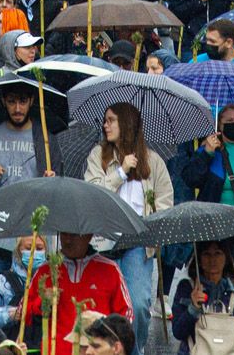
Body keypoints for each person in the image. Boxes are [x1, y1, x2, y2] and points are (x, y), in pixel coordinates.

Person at [84, 103, 173, 354]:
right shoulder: (97, 155)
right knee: (106, 306)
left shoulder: (152, 161)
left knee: (139, 305)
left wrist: (154, 221)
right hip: (105, 240)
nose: (106, 125)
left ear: (127, 124)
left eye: (111, 120)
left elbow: (166, 199)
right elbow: (92, 194)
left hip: (138, 240)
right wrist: (121, 172)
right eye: (105, 120)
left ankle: (135, 350)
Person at [24, 232, 133, 346]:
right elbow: (23, 315)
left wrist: (109, 343)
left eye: (74, 235)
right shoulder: (45, 271)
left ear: (89, 236)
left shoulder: (110, 269)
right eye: (64, 234)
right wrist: (42, 303)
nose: (67, 241)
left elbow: (125, 316)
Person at [170, 240, 234, 355]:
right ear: (199, 260)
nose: (212, 259)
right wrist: (193, 308)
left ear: (226, 257)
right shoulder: (186, 288)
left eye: (218, 253)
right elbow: (178, 332)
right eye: (207, 254)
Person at [0, 82, 53, 197]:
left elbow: (59, 177)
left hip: (32, 208)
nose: (17, 109)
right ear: (3, 101)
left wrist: (51, 179)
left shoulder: (45, 138)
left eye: (23, 101)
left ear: (31, 101)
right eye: (11, 101)